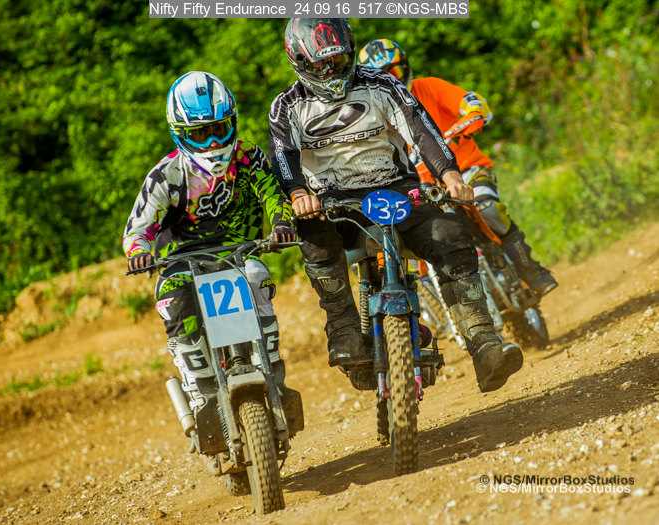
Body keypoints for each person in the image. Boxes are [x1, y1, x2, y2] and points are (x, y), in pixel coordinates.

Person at [269, 18, 523, 393]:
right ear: (300, 62)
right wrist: (296, 194)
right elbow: (282, 156)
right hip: (331, 202)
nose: (332, 70)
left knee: (451, 234)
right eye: (322, 64)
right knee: (313, 236)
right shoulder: (286, 106)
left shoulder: (382, 84)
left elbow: (421, 129)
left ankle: (484, 344)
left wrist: (450, 175)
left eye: (339, 60)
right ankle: (343, 330)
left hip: (396, 190)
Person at [124, 71, 297, 413]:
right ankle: (199, 385)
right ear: (180, 133)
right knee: (174, 300)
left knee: (257, 278)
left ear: (232, 123)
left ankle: (273, 373)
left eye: (219, 129)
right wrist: (139, 252)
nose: (213, 143)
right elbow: (137, 229)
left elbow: (273, 195)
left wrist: (282, 223)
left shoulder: (249, 157)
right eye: (200, 134)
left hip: (239, 251)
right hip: (180, 260)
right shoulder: (166, 176)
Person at [356, 39, 558, 297]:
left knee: (488, 208)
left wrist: (473, 111)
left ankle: (532, 271)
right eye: (379, 76)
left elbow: (467, 100)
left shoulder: (429, 87)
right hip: (421, 188)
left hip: (468, 169)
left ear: (405, 68)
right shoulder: (372, 115)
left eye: (392, 72)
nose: (389, 81)